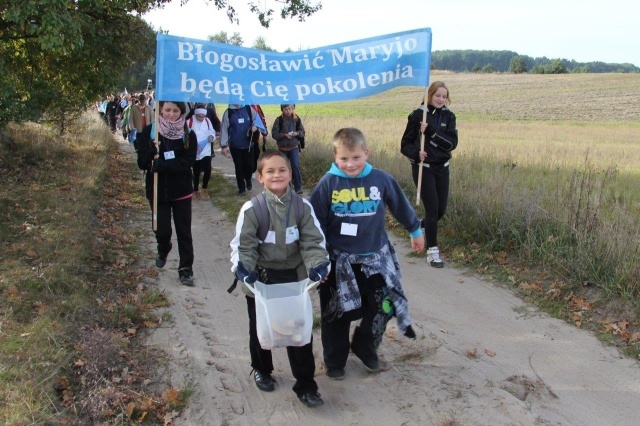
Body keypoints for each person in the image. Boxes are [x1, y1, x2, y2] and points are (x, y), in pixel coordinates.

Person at [309, 128, 424, 380]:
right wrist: (319, 258)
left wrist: (415, 230)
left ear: (366, 153)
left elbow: (400, 204)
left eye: (356, 157)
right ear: (335, 157)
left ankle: (364, 344)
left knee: (383, 305)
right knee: (336, 314)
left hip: (375, 259)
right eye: (344, 159)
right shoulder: (328, 183)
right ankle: (335, 361)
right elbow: (314, 222)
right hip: (339, 262)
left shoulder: (381, 179)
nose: (350, 164)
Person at [230, 150, 331, 408]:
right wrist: (245, 269)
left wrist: (318, 264)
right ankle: (262, 369)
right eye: (270, 171)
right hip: (260, 281)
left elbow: (312, 241)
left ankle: (306, 386)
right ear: (260, 178)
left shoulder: (302, 207)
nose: (277, 175)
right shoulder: (252, 209)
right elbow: (245, 246)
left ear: (290, 173)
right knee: (261, 329)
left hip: (293, 281)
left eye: (282, 170)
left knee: (298, 332)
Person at [136, 101, 197, 286]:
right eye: (168, 110)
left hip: (181, 190)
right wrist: (150, 153)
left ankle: (186, 269)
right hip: (157, 190)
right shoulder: (150, 132)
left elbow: (187, 162)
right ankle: (164, 248)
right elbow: (141, 163)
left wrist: (163, 165)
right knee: (161, 229)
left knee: (184, 231)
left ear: (182, 112)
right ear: (160, 109)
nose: (171, 114)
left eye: (176, 111)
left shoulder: (188, 134)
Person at [400, 81, 458, 268]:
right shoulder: (418, 115)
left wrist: (432, 132)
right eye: (437, 95)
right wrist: (416, 154)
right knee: (432, 210)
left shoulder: (449, 116)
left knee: (441, 210)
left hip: (443, 167)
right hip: (424, 169)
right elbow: (405, 145)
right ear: (429, 95)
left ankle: (420, 225)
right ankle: (432, 251)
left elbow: (451, 144)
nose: (441, 99)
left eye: (444, 96)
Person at [220, 105, 258, 195]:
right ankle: (241, 188)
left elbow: (258, 121)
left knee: (250, 165)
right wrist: (223, 145)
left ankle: (248, 179)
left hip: (248, 144)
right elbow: (224, 129)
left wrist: (255, 127)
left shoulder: (249, 109)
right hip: (235, 146)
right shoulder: (228, 112)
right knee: (239, 166)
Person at [187, 104, 220, 200]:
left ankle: (204, 188)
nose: (201, 118)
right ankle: (195, 189)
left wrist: (212, 137)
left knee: (208, 168)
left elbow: (212, 132)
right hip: (195, 150)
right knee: (196, 171)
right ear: (196, 115)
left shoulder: (207, 121)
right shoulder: (189, 122)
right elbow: (186, 135)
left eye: (203, 116)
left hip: (206, 149)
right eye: (199, 116)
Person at [271, 104, 305, 194]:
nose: (288, 111)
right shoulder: (279, 120)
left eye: (290, 109)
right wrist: (284, 135)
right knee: (284, 168)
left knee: (295, 166)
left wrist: (297, 133)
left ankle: (298, 188)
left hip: (294, 147)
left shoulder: (297, 119)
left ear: (293, 108)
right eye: (286, 109)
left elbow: (303, 132)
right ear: (282, 110)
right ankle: (287, 187)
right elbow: (274, 134)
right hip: (282, 149)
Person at [249, 104, 269, 177]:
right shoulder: (240, 105)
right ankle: (244, 172)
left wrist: (264, 134)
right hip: (242, 136)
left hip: (255, 135)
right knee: (246, 155)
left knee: (255, 153)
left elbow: (261, 119)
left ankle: (252, 171)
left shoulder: (256, 106)